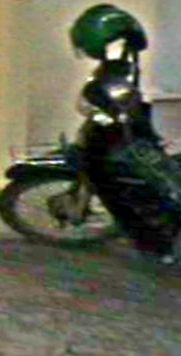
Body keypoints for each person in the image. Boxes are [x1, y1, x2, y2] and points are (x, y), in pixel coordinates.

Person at [68, 3, 181, 263]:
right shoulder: (122, 68)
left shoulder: (123, 71)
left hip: (135, 136)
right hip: (140, 130)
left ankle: (159, 244)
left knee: (146, 180)